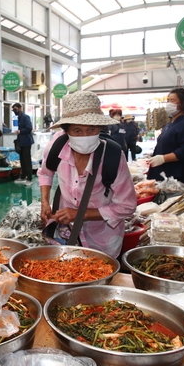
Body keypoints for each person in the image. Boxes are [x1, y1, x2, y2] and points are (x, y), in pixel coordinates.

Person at [37, 91, 136, 259]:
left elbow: (127, 206)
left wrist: (80, 214)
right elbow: (45, 173)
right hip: (66, 232)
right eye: (77, 130)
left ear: (99, 128)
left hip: (103, 238)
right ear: (66, 130)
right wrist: (45, 202)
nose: (85, 136)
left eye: (91, 129)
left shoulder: (112, 155)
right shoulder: (57, 146)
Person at [147, 88, 184, 187]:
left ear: (182, 104)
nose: (169, 103)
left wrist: (163, 158)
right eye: (168, 100)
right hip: (164, 174)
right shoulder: (171, 123)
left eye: (172, 100)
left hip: (177, 177)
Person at [12, 103, 34, 186]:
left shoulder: (25, 117)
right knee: (22, 160)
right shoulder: (19, 117)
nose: (15, 111)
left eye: (16, 109)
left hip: (27, 142)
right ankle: (23, 176)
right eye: (13, 110)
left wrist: (20, 131)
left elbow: (29, 128)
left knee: (27, 160)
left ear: (20, 108)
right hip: (21, 142)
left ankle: (29, 178)